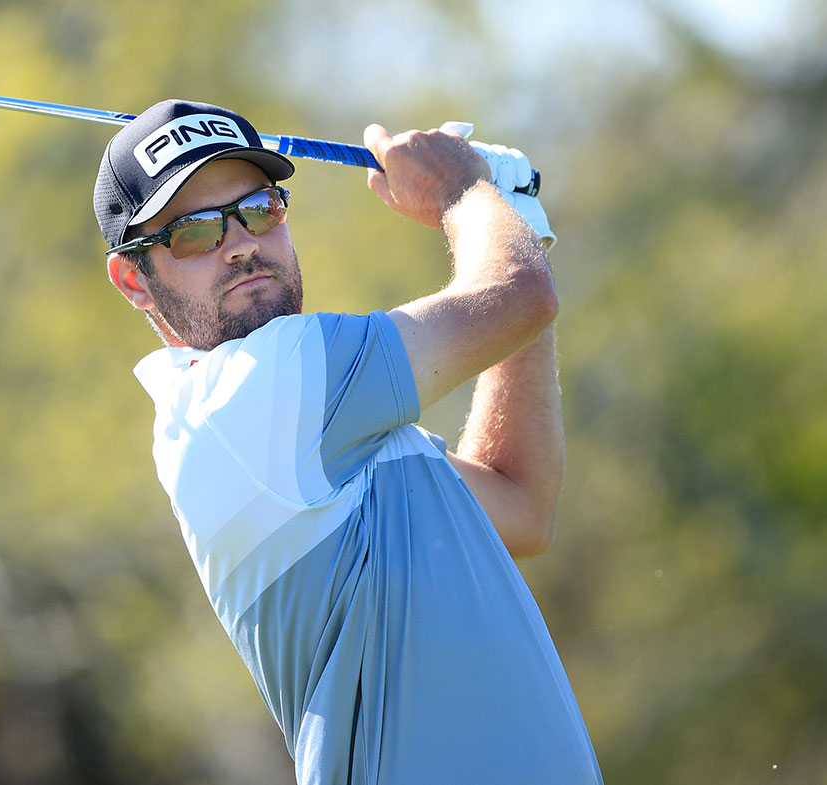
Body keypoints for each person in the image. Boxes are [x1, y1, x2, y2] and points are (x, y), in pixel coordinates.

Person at [92, 99, 603, 784]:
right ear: (134, 280)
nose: (240, 242)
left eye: (259, 209)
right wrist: (464, 190)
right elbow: (516, 295)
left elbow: (520, 502)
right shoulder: (250, 392)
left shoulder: (324, 430)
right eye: (193, 232)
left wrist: (516, 220)